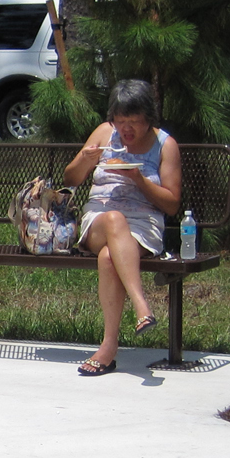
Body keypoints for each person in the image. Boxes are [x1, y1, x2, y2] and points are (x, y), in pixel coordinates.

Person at [61, 79, 183, 377]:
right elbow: (70, 179)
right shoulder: (105, 133)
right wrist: (86, 161)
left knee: (108, 258)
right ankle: (141, 305)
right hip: (99, 220)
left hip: (143, 224)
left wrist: (140, 181)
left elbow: (171, 205)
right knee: (114, 219)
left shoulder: (165, 145)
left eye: (134, 122)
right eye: (121, 121)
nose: (126, 129)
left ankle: (108, 347)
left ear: (148, 119)